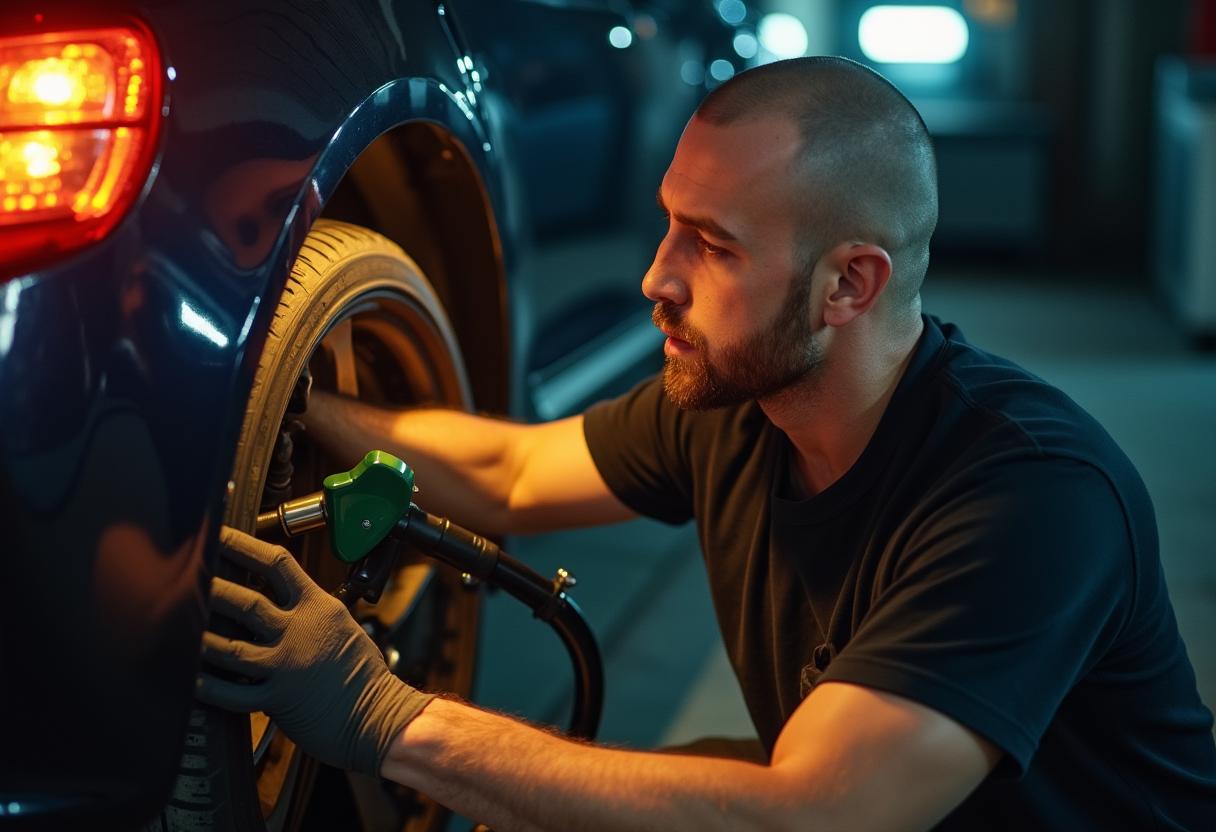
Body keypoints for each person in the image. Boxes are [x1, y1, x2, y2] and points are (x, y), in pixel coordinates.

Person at [198, 57, 1216, 830]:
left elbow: (815, 811)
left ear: (847, 286)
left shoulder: (1028, 498)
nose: (656, 278)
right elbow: (509, 474)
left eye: (714, 246)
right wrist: (298, 405)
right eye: (668, 224)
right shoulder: (735, 405)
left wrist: (388, 719)